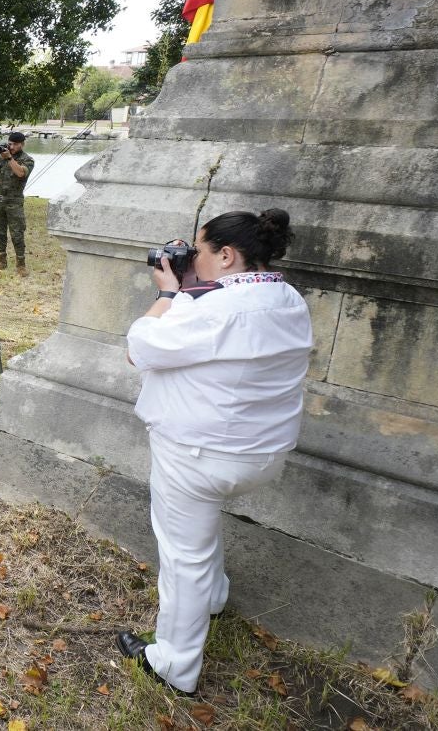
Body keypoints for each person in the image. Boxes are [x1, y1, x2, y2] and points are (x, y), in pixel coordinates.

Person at [118, 209, 313, 696]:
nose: (193, 261)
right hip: (263, 455)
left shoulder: (209, 309)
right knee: (200, 531)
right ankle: (215, 596)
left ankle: (173, 663)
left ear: (226, 255)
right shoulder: (288, 299)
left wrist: (167, 293)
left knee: (182, 554)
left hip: (197, 455)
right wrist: (190, 289)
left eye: (200, 252)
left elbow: (138, 347)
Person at [0, 131, 34, 275]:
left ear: (22, 145)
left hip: (15, 201)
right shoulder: (1, 158)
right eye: (10, 143)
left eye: (15, 144)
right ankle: (1, 260)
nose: (11, 147)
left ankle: (21, 264)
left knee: (17, 233)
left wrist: (9, 158)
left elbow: (21, 173)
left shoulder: (28, 160)